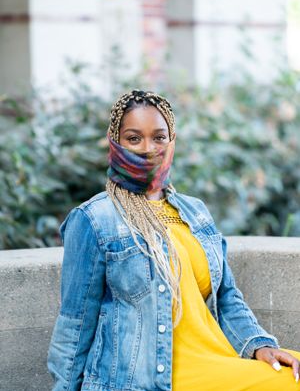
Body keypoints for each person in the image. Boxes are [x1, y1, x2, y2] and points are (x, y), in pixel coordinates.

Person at [47, 89, 300, 391]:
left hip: (216, 359)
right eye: (133, 137)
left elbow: (227, 297)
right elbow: (75, 324)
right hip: (149, 380)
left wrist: (259, 345)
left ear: (172, 141)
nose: (148, 148)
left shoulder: (195, 212)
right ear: (115, 141)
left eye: (158, 137)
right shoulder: (93, 219)